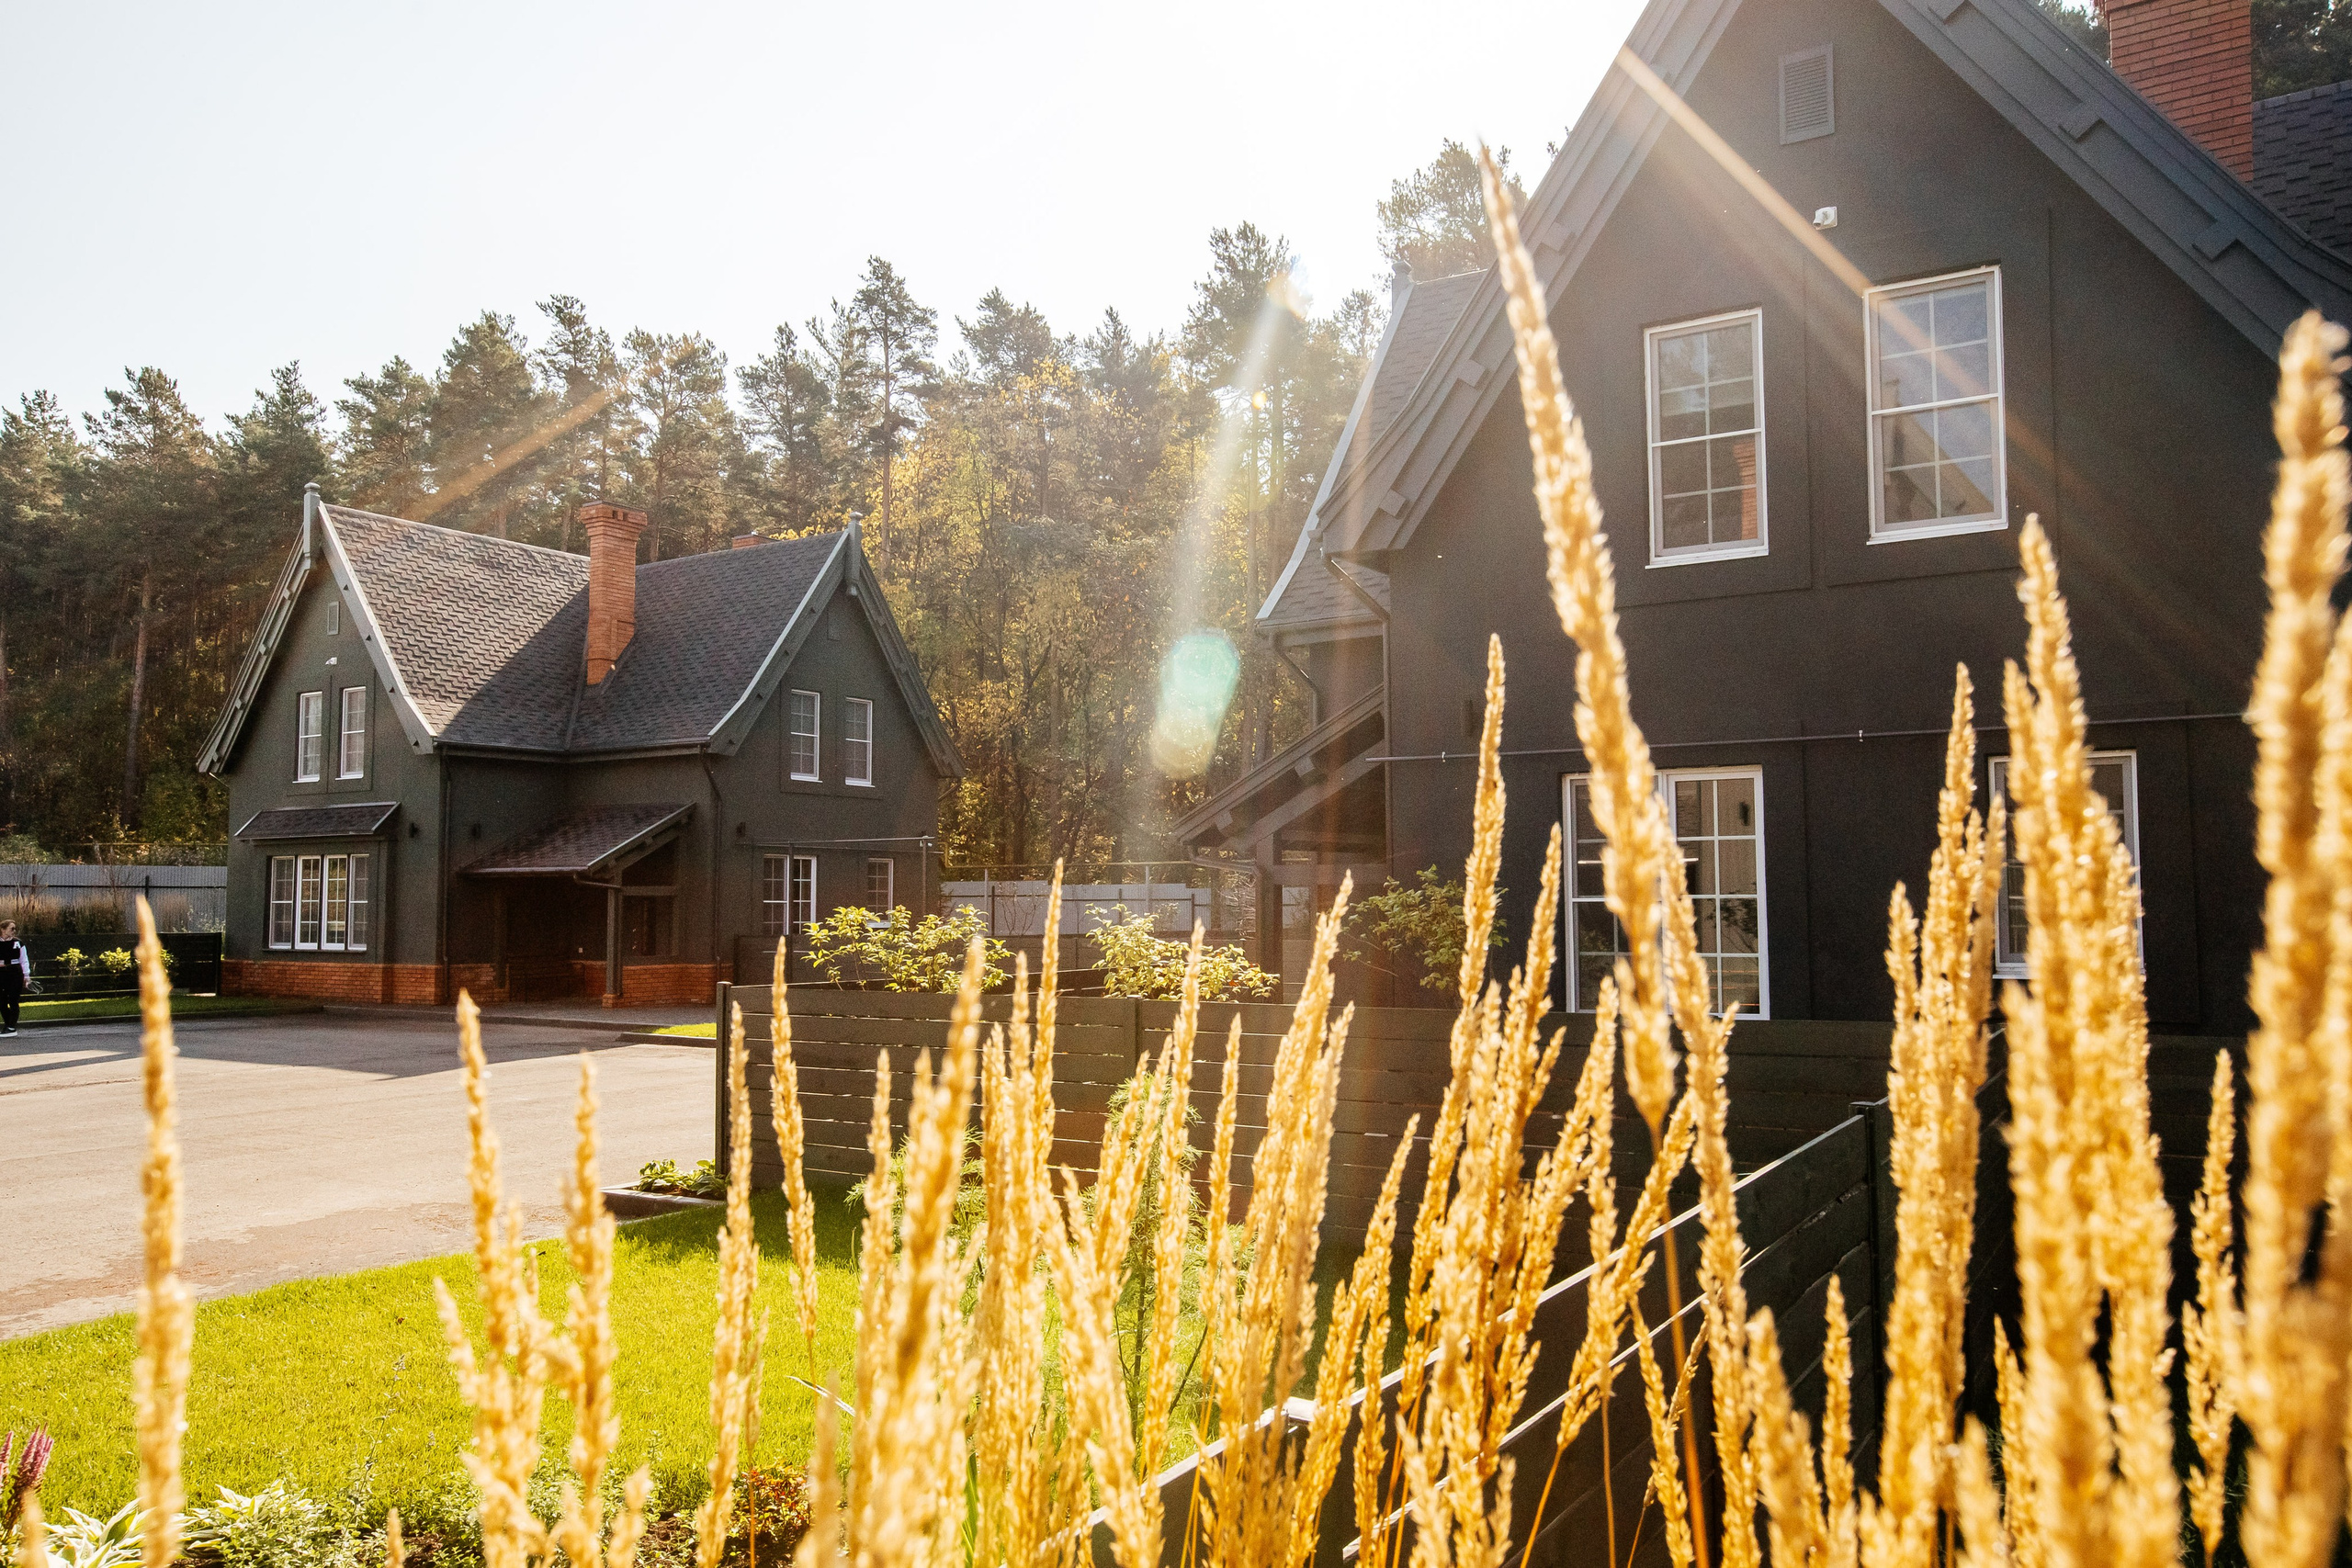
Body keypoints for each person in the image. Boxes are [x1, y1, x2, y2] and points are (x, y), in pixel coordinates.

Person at [0, 919, 28, 1036]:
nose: (14, 931)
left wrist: (27, 975)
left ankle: (11, 1026)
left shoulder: (18, 943)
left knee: (13, 1000)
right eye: (12, 928)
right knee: (1, 1001)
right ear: (3, 929)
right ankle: (8, 1025)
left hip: (15, 972)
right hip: (1, 972)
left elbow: (24, 960)